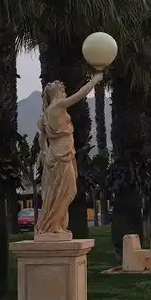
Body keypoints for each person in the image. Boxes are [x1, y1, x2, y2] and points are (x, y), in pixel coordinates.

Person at [35, 73, 104, 236]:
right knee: (67, 190)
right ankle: (53, 224)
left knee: (58, 191)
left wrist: (44, 152)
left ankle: (54, 223)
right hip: (61, 155)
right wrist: (95, 80)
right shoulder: (58, 105)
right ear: (57, 93)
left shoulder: (46, 114)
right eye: (63, 91)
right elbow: (80, 95)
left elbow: (41, 139)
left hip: (58, 154)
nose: (65, 94)